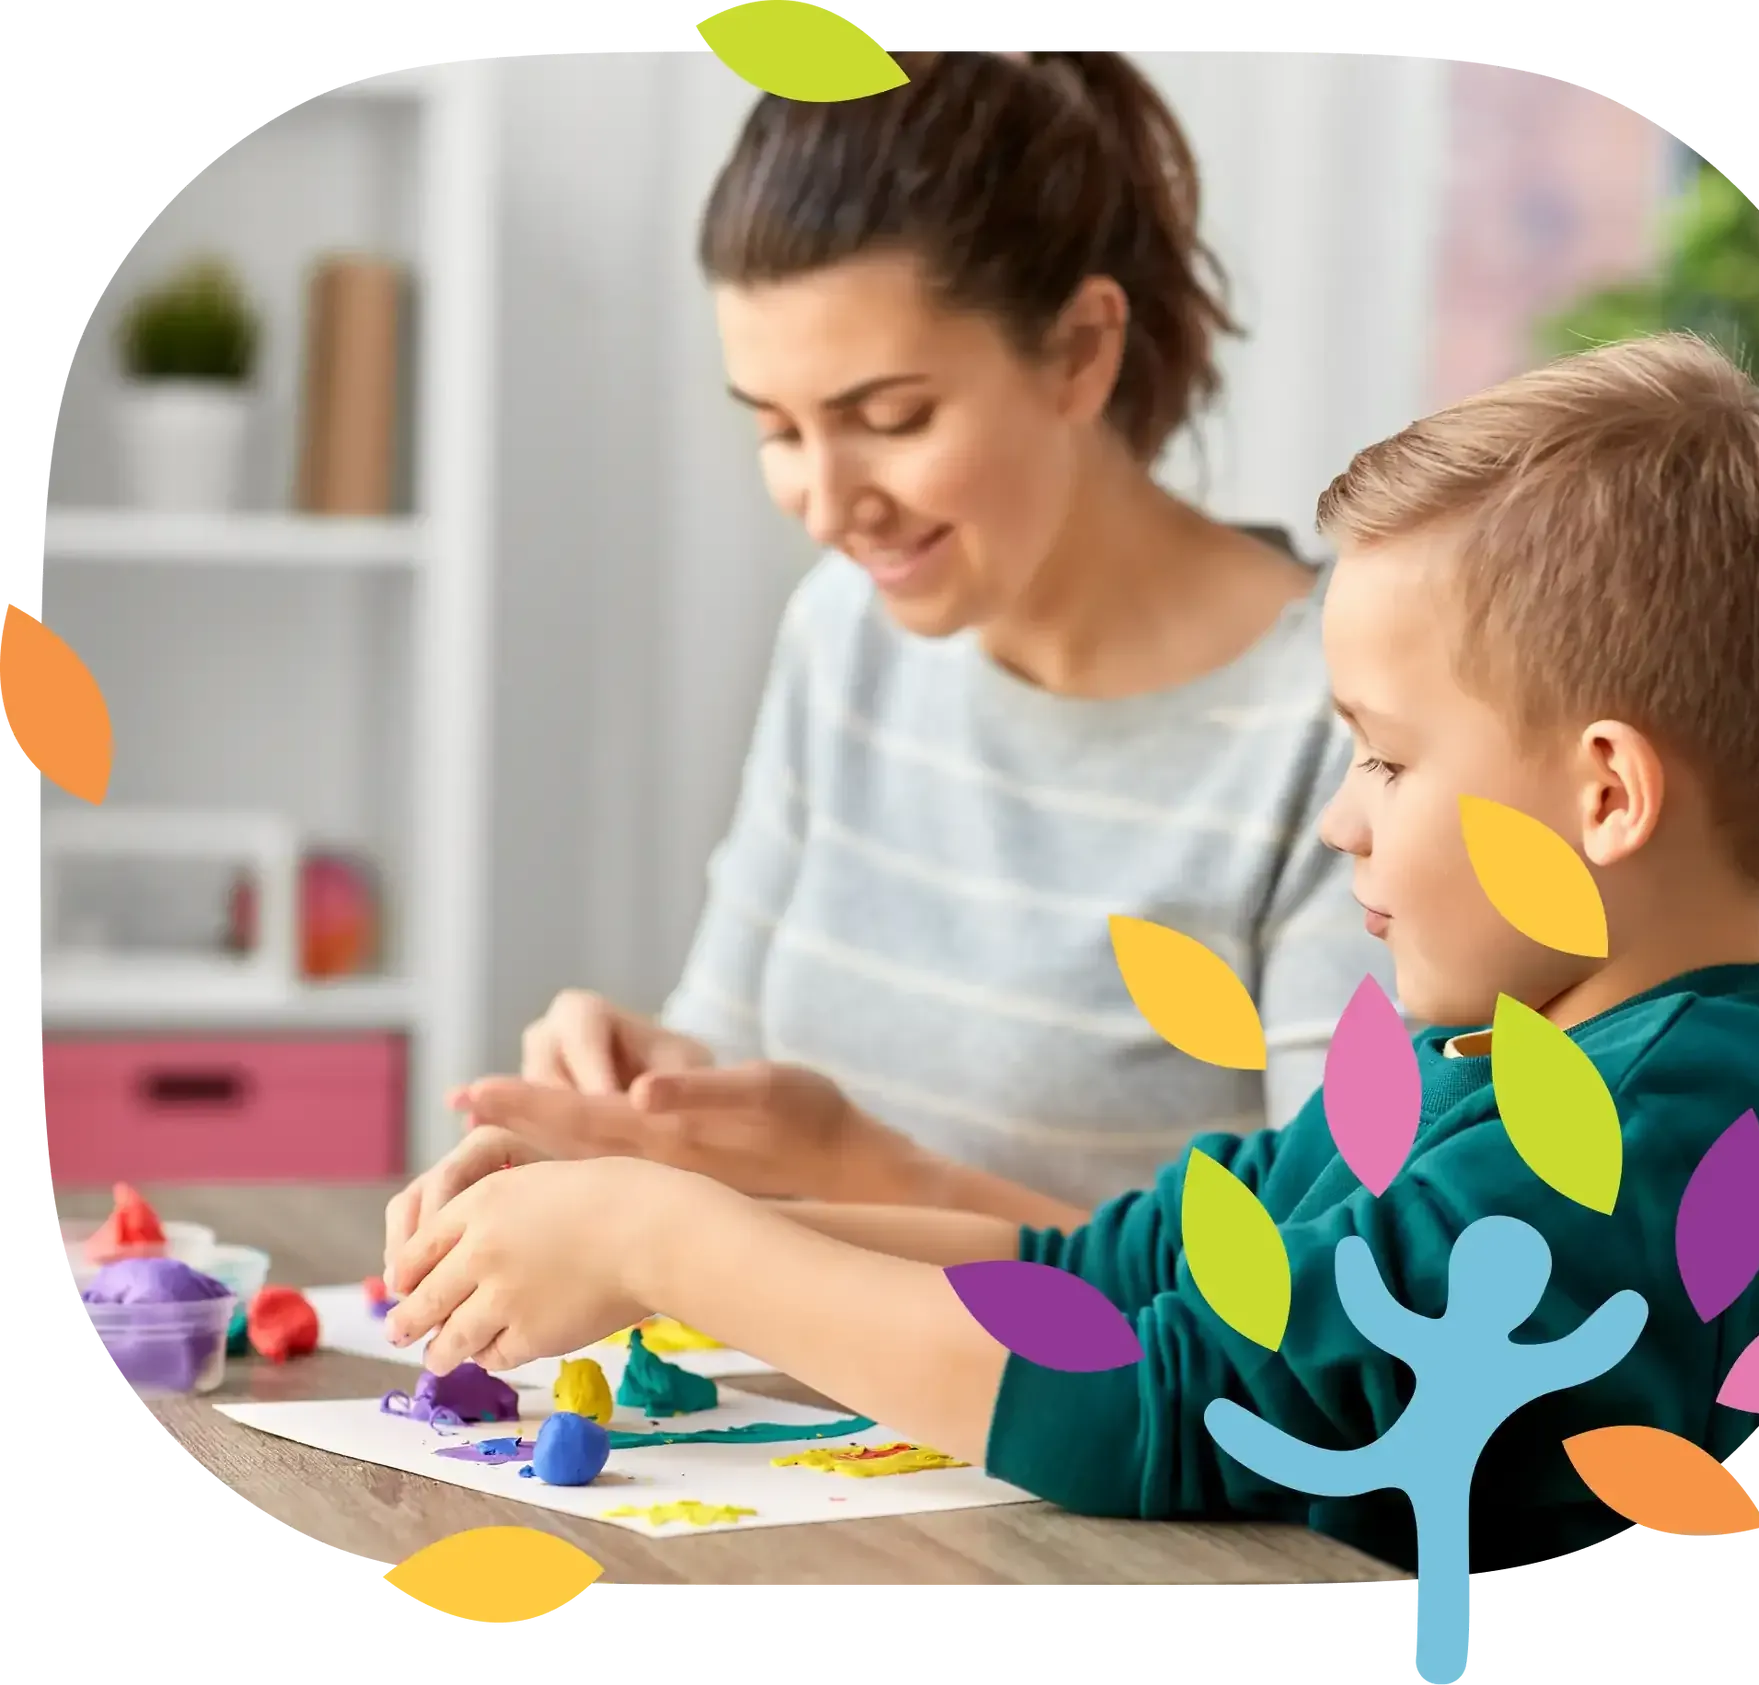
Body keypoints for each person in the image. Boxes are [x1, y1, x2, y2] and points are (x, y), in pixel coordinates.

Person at [382, 332, 1759, 1571]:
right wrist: (683, 1227)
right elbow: (1104, 1275)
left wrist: (670, 1237)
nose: (1343, 826)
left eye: (1388, 763)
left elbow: (1148, 1403)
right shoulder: (1503, 1063)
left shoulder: (1654, 1137)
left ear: (1606, 794)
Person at [392, 48, 1394, 1245]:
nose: (826, 502)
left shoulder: (1347, 712)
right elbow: (736, 1082)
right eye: (777, 429)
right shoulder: (845, 631)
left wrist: (866, 1169)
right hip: (801, 1427)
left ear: (1081, 349)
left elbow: (1325, 1296)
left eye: (889, 419)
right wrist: (646, 1104)